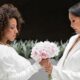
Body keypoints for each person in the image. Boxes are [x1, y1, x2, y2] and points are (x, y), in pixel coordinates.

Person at [40, 2, 80, 80]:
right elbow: (62, 64)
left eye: (73, 21)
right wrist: (50, 68)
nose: (71, 25)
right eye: (70, 21)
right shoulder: (73, 39)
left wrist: (53, 70)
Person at [0, 4, 41, 80]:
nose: (16, 31)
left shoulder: (7, 48)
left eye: (16, 27)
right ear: (2, 27)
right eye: (12, 27)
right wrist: (37, 66)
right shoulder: (3, 50)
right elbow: (12, 79)